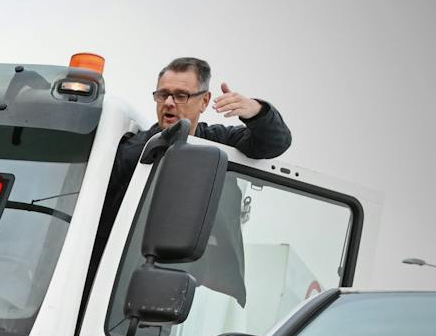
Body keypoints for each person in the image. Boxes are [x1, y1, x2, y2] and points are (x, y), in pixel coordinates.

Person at [98, 57, 292, 251]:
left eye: (181, 96)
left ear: (205, 101)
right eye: (163, 94)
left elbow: (274, 142)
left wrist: (258, 111)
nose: (168, 103)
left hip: (211, 276)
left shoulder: (220, 145)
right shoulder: (131, 153)